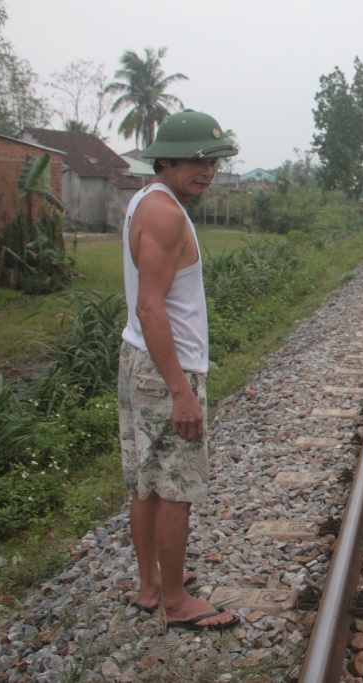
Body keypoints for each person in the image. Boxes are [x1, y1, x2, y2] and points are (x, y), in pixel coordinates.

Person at [118, 109, 239, 631]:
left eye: (213, 159)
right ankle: (174, 601)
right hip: (168, 366)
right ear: (165, 158)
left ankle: (150, 587)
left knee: (146, 481)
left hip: (141, 359)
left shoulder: (148, 201)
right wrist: (180, 392)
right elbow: (151, 306)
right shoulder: (167, 213)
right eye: (194, 159)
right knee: (175, 487)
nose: (206, 169)